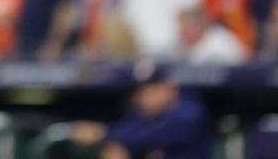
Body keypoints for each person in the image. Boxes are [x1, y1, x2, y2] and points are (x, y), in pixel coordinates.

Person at [70, 64, 211, 159]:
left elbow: (147, 136)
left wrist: (102, 133)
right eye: (139, 92)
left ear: (169, 87)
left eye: (149, 91)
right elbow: (128, 129)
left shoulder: (189, 112)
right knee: (115, 148)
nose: (142, 98)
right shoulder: (147, 113)